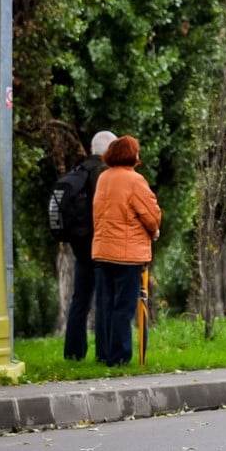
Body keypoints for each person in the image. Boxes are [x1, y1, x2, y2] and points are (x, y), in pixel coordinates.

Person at [91, 135, 161, 366]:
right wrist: (154, 230)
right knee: (124, 306)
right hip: (127, 254)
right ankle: (119, 357)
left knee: (105, 305)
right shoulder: (134, 180)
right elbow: (151, 215)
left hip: (103, 250)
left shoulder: (103, 178)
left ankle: (103, 354)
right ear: (131, 154)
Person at [63, 130, 116, 361]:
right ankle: (104, 354)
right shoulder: (103, 173)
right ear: (109, 151)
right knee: (104, 300)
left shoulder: (80, 172)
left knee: (80, 301)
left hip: (80, 245)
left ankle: (74, 354)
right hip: (99, 245)